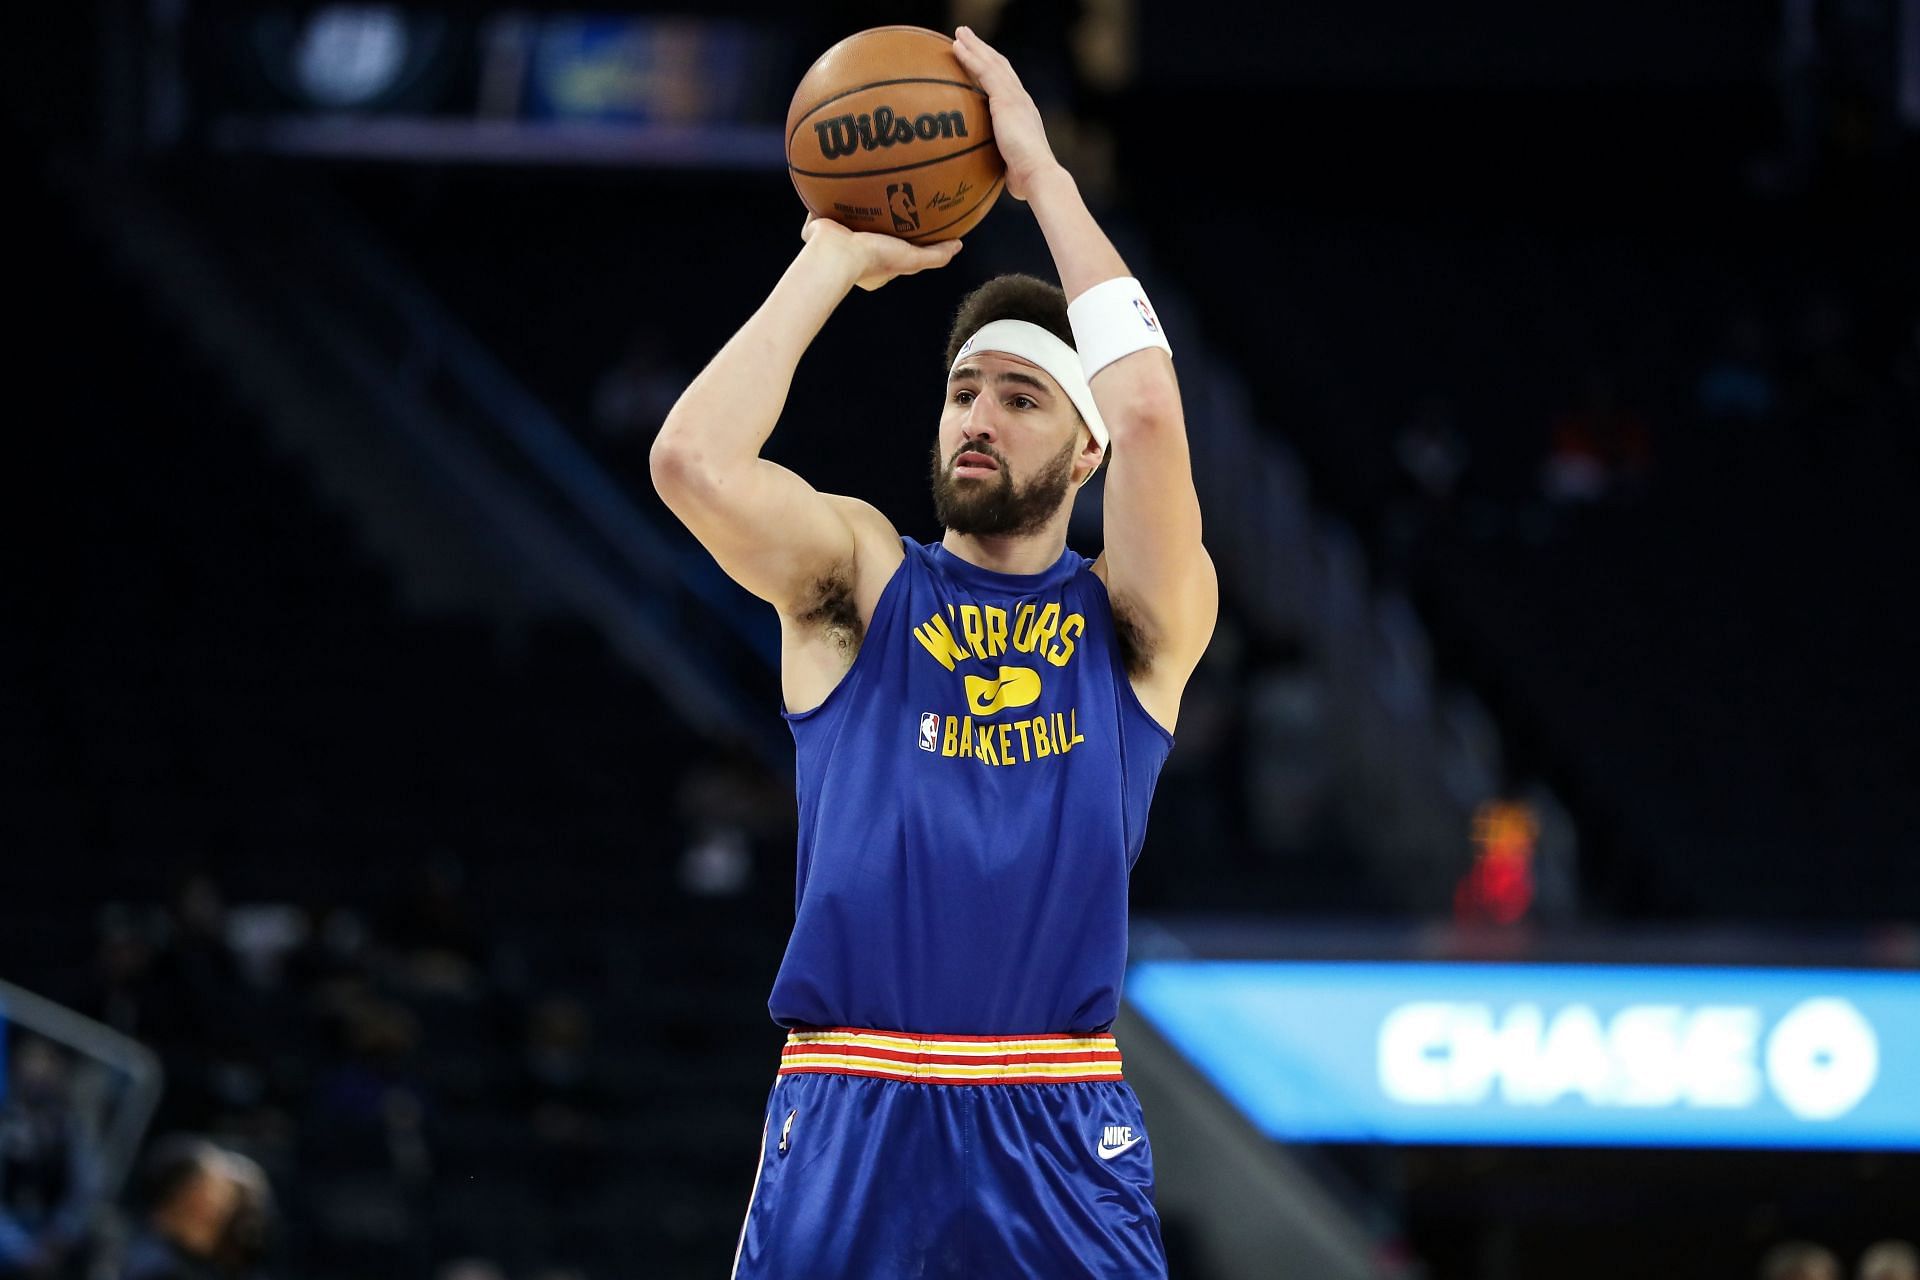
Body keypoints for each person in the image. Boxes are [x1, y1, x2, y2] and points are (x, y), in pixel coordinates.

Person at [649, 25, 1215, 1279]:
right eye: (965, 391)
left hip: (1057, 1116)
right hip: (853, 1097)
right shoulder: (859, 577)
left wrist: (1046, 184)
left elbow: (1154, 406)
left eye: (1021, 399)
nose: (978, 416)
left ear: (1084, 453)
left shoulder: (1134, 620)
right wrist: (831, 258)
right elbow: (691, 464)